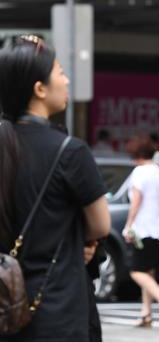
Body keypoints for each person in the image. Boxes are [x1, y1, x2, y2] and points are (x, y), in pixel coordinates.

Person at [0, 34, 111, 341]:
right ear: (39, 89)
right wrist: (83, 242)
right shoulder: (69, 151)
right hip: (54, 306)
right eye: (60, 72)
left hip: (4, 304)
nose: (66, 80)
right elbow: (100, 224)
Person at [122, 135, 159, 328]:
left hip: (146, 228)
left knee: (136, 272)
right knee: (148, 271)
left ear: (137, 155)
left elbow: (136, 202)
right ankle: (146, 314)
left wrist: (128, 225)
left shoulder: (139, 172)